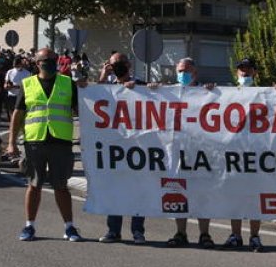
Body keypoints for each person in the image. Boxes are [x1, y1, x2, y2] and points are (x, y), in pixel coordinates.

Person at [9, 47, 85, 242]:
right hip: (35, 142)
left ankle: (69, 227)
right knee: (34, 185)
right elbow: (17, 115)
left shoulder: (68, 83)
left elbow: (82, 110)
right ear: (37, 63)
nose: (50, 62)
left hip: (60, 141)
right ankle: (29, 226)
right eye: (46, 59)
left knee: (61, 186)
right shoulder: (28, 84)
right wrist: (11, 143)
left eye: (53, 59)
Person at [158, 57, 216, 248]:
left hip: (200, 150)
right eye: (181, 70)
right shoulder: (169, 91)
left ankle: (205, 234)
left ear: (195, 73)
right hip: (176, 149)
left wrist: (213, 92)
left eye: (187, 71)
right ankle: (180, 232)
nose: (183, 74)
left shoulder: (206, 91)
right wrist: (149, 90)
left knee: (201, 193)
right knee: (177, 190)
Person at [98, 52, 148, 244]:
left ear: (129, 65)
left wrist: (142, 89)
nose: (118, 66)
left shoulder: (140, 84)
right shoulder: (106, 87)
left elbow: (159, 96)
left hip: (138, 146)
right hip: (115, 147)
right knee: (114, 190)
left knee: (137, 190)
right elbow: (93, 101)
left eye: (121, 63)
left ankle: (137, 231)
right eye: (114, 64)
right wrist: (103, 76)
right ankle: (113, 230)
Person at [222, 57, 265, 252]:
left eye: (248, 69)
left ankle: (255, 236)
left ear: (255, 72)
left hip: (257, 153)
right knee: (234, 196)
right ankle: (236, 235)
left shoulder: (265, 93)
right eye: (241, 69)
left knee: (255, 197)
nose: (244, 73)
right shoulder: (227, 93)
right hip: (234, 153)